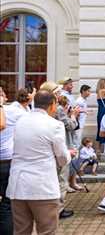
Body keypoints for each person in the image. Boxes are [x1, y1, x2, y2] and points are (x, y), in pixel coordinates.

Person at [6, 90, 72, 235]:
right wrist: (69, 154)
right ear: (52, 105)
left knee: (21, 231)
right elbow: (62, 158)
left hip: (18, 186)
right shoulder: (55, 125)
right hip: (42, 187)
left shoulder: (20, 121)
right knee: (47, 231)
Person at [40, 81, 76, 219]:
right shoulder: (57, 109)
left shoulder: (52, 109)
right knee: (61, 180)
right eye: (58, 92)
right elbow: (69, 126)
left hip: (50, 149)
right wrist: (72, 115)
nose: (60, 93)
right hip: (60, 148)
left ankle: (52, 208)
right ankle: (59, 209)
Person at [0, 89, 32, 235]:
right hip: (6, 161)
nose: (6, 97)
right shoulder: (11, 111)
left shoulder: (8, 109)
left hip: (6, 160)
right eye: (2, 94)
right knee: (7, 203)